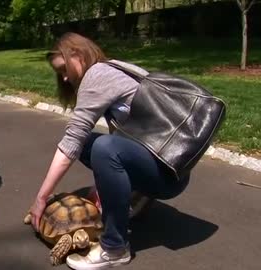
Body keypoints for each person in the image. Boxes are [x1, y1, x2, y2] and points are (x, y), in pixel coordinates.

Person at [28, 32, 190, 270]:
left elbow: (71, 141)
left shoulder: (98, 75)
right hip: (171, 162)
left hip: (168, 174)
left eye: (63, 69)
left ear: (78, 54)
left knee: (102, 147)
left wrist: (41, 198)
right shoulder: (115, 68)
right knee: (96, 145)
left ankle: (114, 248)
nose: (63, 79)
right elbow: (125, 136)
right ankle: (136, 196)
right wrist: (106, 182)